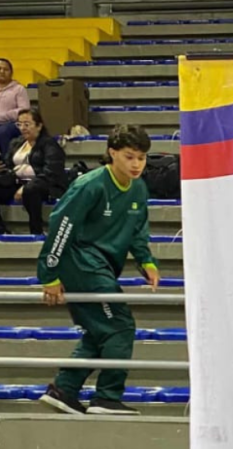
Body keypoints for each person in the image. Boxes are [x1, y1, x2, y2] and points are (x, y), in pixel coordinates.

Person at [36, 124, 160, 416]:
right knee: (120, 325)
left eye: (141, 158)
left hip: (103, 266)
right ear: (112, 153)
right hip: (80, 263)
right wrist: (49, 275)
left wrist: (146, 261)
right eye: (129, 157)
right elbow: (60, 227)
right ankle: (107, 397)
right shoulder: (89, 185)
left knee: (100, 329)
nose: (136, 164)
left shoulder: (138, 187)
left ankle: (63, 389)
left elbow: (137, 228)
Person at [0, 109, 68, 236]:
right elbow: (9, 166)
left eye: (27, 124)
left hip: (46, 184)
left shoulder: (50, 144)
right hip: (18, 182)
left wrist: (25, 187)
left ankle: (36, 230)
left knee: (31, 189)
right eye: (19, 124)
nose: (22, 128)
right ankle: (2, 231)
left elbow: (52, 172)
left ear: (39, 125)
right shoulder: (16, 143)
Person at [0, 58, 31, 156]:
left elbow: (24, 110)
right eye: (0, 69)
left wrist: (4, 116)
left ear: (11, 72)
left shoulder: (18, 89)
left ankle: (8, 164)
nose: (2, 72)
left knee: (3, 131)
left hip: (14, 124)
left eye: (6, 69)